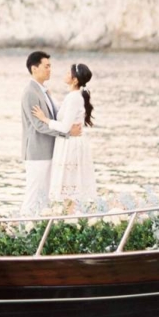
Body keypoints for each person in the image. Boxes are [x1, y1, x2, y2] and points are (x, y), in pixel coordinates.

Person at [20, 51, 81, 214]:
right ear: (34, 69)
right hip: (37, 153)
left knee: (44, 196)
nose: (49, 70)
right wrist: (67, 133)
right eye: (46, 66)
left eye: (50, 66)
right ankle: (21, 232)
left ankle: (38, 233)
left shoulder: (44, 91)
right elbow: (39, 125)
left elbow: (55, 115)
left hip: (49, 152)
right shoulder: (30, 93)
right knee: (33, 195)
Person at [32, 62, 96, 209]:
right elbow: (63, 112)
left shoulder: (74, 98)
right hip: (70, 142)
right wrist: (49, 96)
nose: (65, 74)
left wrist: (44, 119)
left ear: (75, 80)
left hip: (70, 145)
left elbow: (64, 127)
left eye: (69, 73)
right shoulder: (74, 96)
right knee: (70, 186)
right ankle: (69, 217)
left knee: (69, 187)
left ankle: (70, 218)